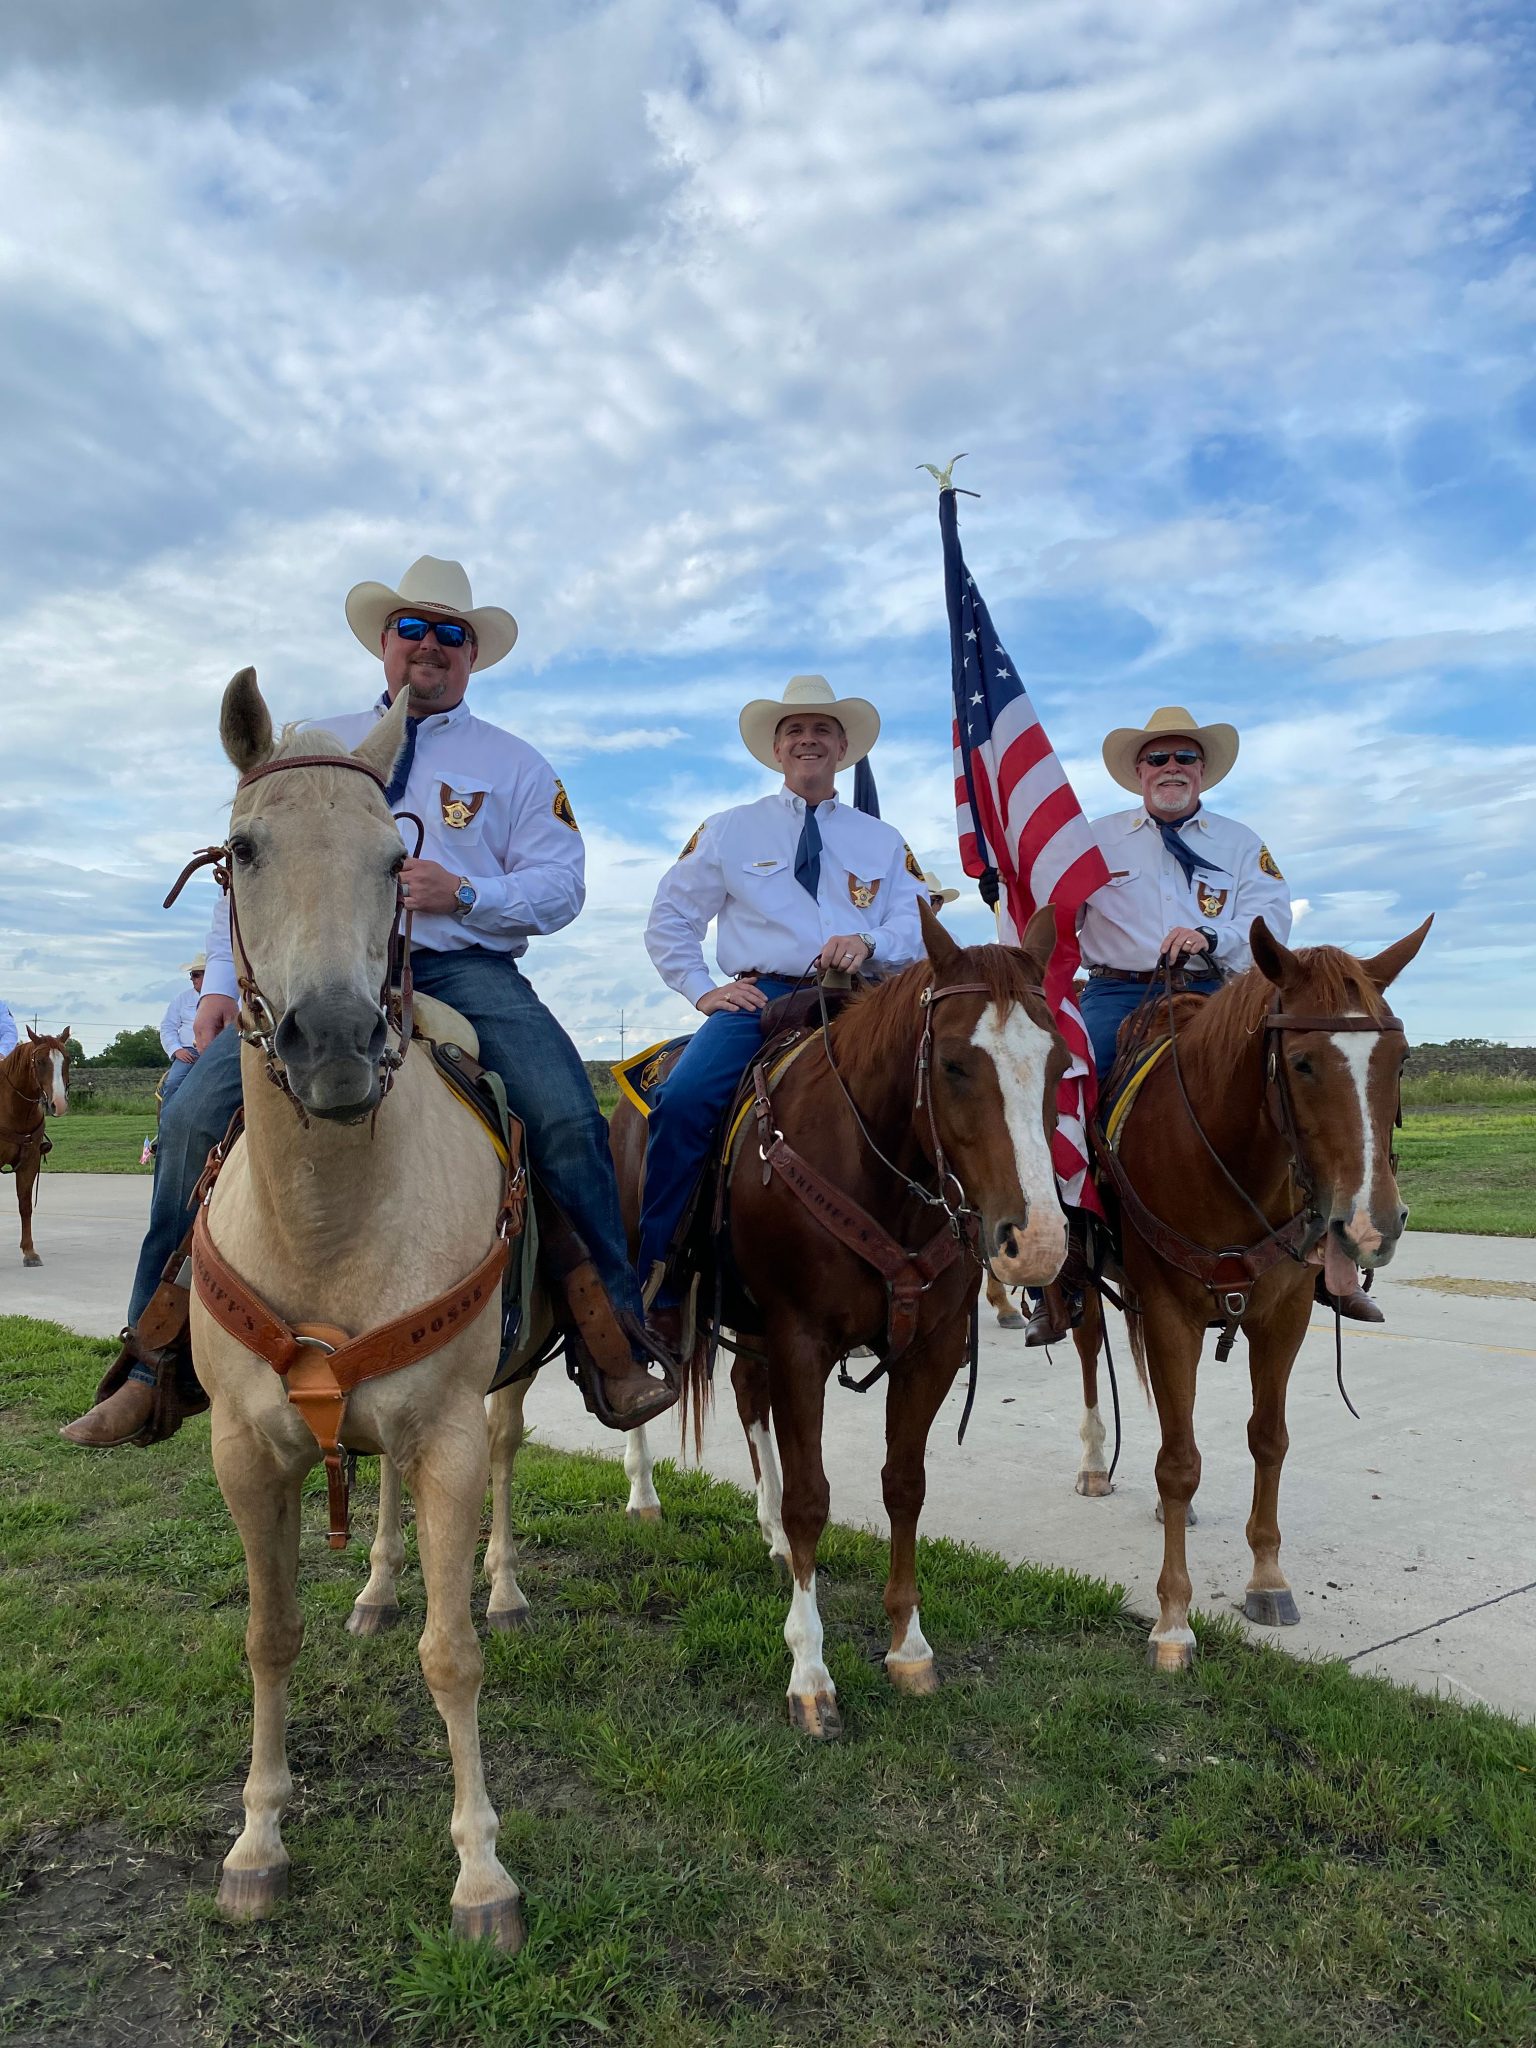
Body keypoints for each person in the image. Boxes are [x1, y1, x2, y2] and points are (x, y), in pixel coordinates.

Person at [62, 555, 677, 1448]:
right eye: (412, 628)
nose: (430, 645)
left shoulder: (514, 765)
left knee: (564, 1114)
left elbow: (563, 885)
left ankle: (609, 1339)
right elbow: (249, 874)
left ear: (472, 655)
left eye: (450, 633)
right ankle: (155, 1362)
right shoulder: (313, 747)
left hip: (461, 968)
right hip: (319, 975)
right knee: (192, 1113)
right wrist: (223, 990)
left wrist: (464, 893)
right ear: (385, 643)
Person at [1025, 703, 1379, 1339]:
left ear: (1202, 770)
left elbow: (1271, 916)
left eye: (1184, 757)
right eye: (1157, 758)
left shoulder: (1241, 844)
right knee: (1067, 1092)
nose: (1171, 767)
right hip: (1119, 992)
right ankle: (1067, 1265)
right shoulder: (1094, 841)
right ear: (1139, 771)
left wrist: (1211, 935)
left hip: (1218, 992)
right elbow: (1053, 907)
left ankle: (1329, 1253)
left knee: (1299, 1092)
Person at [638, 673, 929, 1351]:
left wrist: (870, 941)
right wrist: (702, 990)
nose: (808, 740)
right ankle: (662, 1279)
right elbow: (671, 919)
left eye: (822, 730)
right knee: (683, 1101)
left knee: (950, 1091)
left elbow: (917, 924)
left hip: (863, 999)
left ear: (843, 748)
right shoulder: (728, 830)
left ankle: (954, 1264)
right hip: (764, 997)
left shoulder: (883, 840)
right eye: (794, 730)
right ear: (776, 749)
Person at [157, 956, 205, 1110]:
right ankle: (167, 1123)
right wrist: (176, 1050)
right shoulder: (182, 999)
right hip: (189, 1052)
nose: (192, 979)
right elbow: (167, 1027)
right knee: (173, 1084)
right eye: (191, 975)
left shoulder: (228, 997)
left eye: (196, 975)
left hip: (217, 1050)